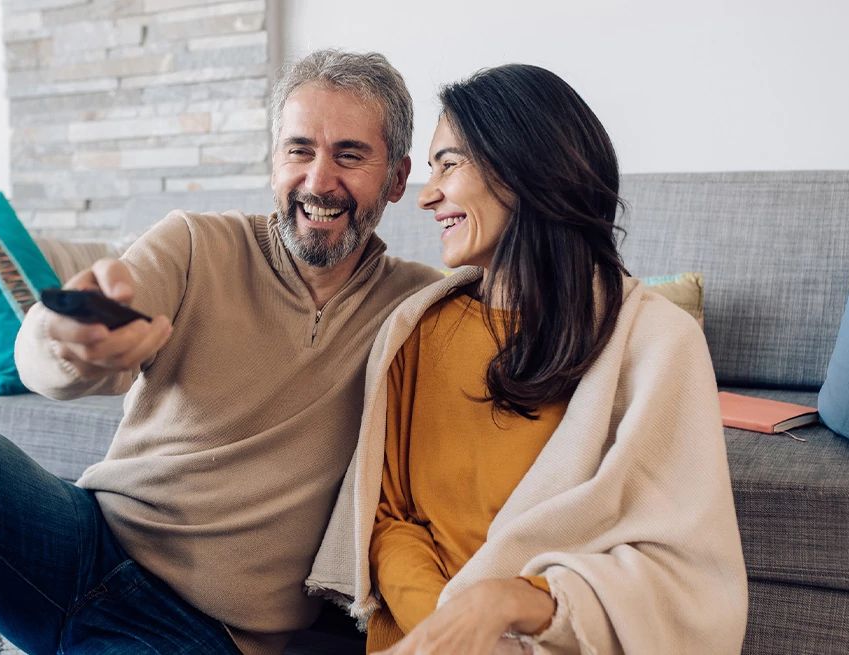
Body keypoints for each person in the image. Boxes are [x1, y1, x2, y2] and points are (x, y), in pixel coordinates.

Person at [0, 49, 441, 655]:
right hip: (81, 540)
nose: (318, 180)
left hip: (202, 631)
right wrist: (69, 344)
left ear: (397, 176)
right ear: (273, 160)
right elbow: (56, 341)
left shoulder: (422, 309)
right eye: (299, 150)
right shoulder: (196, 243)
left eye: (350, 156)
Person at [307, 64, 748, 654]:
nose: (428, 195)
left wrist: (510, 601)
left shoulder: (655, 343)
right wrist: (452, 621)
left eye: (449, 164)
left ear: (522, 169)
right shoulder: (420, 329)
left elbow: (685, 578)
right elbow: (388, 520)